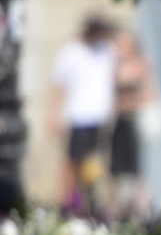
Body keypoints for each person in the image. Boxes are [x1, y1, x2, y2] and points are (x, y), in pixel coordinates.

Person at [49, 14, 118, 210]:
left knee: (94, 166)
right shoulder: (72, 51)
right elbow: (58, 87)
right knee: (73, 163)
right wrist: (54, 116)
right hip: (78, 116)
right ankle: (67, 204)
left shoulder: (107, 51)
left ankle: (89, 204)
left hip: (99, 117)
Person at [107, 27, 157, 219]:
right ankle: (115, 211)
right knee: (115, 170)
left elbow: (151, 93)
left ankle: (139, 211)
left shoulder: (141, 65)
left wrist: (133, 101)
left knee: (135, 169)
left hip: (134, 121)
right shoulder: (115, 64)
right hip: (119, 121)